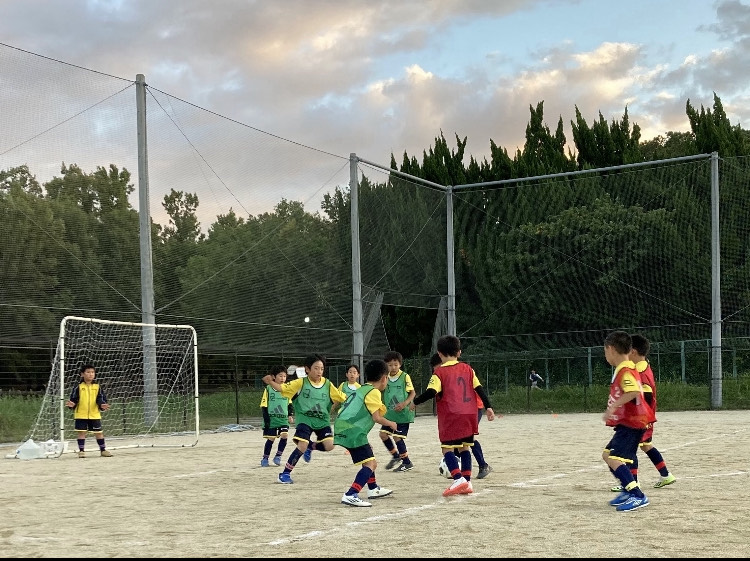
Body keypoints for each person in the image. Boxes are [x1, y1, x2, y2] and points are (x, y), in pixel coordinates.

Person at [414, 335, 495, 497]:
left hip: (451, 415)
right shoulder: (468, 369)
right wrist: (489, 407)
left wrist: (414, 402)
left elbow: (431, 392)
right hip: (470, 413)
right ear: (459, 352)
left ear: (439, 354)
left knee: (447, 448)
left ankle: (458, 479)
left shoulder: (439, 372)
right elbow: (479, 389)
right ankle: (467, 482)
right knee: (465, 447)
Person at [262, 353, 347, 484]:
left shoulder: (327, 384)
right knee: (302, 445)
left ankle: (311, 447)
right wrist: (271, 382)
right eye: (316, 368)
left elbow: (341, 397)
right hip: (305, 420)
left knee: (330, 446)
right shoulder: (300, 383)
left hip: (322, 421)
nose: (319, 371)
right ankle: (285, 474)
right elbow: (282, 388)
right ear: (307, 369)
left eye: (322, 369)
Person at [611, 334, 676, 491]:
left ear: (633, 352)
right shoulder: (644, 366)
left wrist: (632, 410)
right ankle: (665, 475)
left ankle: (632, 482)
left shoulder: (639, 372)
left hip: (640, 418)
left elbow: (645, 395)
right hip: (645, 417)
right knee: (645, 445)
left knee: (631, 447)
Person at [602, 330, 655, 512]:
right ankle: (627, 490)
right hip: (630, 423)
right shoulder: (628, 367)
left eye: (605, 351)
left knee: (614, 459)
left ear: (611, 349)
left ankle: (637, 495)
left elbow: (633, 391)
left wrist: (613, 407)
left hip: (633, 423)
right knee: (608, 455)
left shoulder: (625, 370)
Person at [334, 359, 397, 507]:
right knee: (370, 463)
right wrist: (391, 423)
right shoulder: (373, 392)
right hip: (353, 431)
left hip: (345, 427)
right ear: (384, 378)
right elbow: (376, 418)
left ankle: (373, 488)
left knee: (370, 459)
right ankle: (351, 494)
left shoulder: (362, 389)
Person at [430, 352, 492, 479]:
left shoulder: (458, 370)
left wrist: (488, 406)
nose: (436, 371)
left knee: (466, 439)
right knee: (460, 440)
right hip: (459, 411)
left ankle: (482, 465)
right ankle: (459, 471)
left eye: (438, 368)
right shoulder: (442, 374)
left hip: (473, 408)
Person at [65, 363, 112, 458]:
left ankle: (103, 450)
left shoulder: (97, 387)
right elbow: (74, 399)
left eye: (92, 372)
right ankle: (81, 451)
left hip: (94, 414)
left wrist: (102, 405)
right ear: (82, 374)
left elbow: (100, 398)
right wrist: (72, 404)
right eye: (88, 372)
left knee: (99, 432)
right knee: (81, 432)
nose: (91, 374)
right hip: (81, 414)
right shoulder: (78, 387)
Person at [380, 351, 417, 472]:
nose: (393, 367)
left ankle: (407, 462)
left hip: (403, 415)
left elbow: (412, 393)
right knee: (383, 434)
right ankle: (396, 456)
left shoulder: (405, 376)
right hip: (390, 415)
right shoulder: (384, 377)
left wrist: (404, 403)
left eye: (395, 364)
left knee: (397, 437)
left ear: (400, 364)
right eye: (390, 365)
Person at [259, 365, 294, 467]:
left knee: (285, 435)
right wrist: (267, 420)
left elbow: (289, 404)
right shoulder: (268, 389)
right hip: (272, 419)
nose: (283, 378)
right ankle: (265, 458)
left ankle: (278, 456)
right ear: (274, 377)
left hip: (283, 419)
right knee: (271, 438)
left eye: (284, 376)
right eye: (280, 376)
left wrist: (290, 415)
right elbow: (264, 405)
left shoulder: (287, 389)